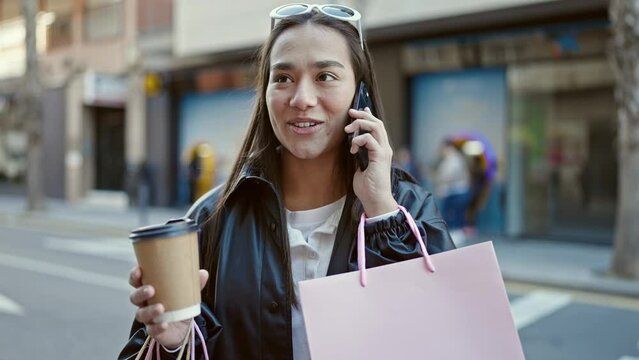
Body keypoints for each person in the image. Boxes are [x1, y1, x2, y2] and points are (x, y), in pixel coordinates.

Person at [119, 4, 455, 359]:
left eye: (325, 76)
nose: (302, 99)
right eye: (283, 79)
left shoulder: (408, 210)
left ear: (361, 94)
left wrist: (382, 214)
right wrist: (174, 343)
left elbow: (445, 334)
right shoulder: (212, 217)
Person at [433, 139, 471, 243]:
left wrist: (440, 179)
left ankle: (456, 236)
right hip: (452, 193)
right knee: (451, 216)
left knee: (454, 216)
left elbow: (448, 176)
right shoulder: (449, 159)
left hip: (456, 193)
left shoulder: (455, 159)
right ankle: (454, 236)